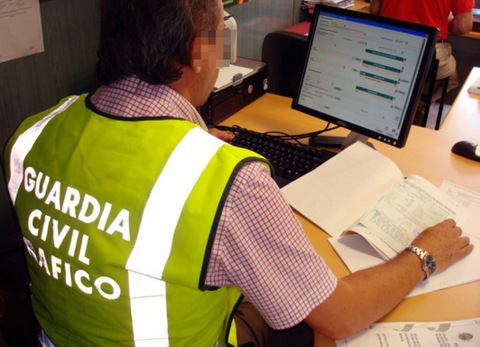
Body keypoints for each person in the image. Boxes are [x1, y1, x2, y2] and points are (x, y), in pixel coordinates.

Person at [3, 0, 473, 346]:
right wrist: (422, 255)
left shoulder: (35, 133)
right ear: (194, 51)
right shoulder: (229, 183)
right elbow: (340, 315)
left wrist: (186, 140)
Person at [370, 0, 474, 123]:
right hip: (427, 48)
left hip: (388, 44)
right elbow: (462, 26)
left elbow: (375, 10)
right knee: (451, 78)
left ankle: (400, 106)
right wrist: (439, 25)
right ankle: (417, 107)